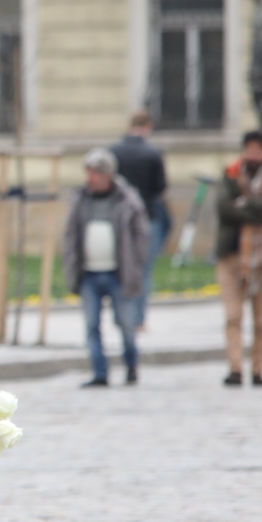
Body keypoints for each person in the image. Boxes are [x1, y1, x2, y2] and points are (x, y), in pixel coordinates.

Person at [61, 149, 151, 387]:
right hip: (89, 273)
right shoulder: (81, 198)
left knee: (125, 323)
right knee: (92, 326)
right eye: (89, 172)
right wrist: (71, 264)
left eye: (96, 173)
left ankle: (131, 365)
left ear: (108, 175)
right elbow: (70, 234)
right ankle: (100, 373)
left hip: (118, 272)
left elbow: (142, 235)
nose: (91, 178)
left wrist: (136, 263)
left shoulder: (127, 199)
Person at [217, 131, 262, 387]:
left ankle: (258, 370)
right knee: (233, 316)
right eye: (249, 149)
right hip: (232, 256)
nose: (253, 154)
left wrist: (245, 204)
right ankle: (235, 368)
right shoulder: (230, 174)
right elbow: (223, 207)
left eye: (258, 149)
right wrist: (260, 208)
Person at [111, 110, 168, 331]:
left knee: (120, 267)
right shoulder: (153, 154)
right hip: (146, 216)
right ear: (148, 126)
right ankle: (139, 319)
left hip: (118, 218)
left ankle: (121, 315)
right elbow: (160, 188)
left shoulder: (114, 152)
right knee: (143, 270)